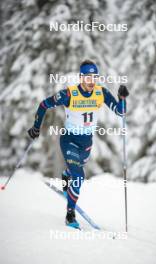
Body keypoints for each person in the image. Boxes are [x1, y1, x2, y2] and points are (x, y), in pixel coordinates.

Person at [28, 60, 129, 228]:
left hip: (87, 142)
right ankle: (70, 214)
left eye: (94, 77)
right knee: (79, 177)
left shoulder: (101, 93)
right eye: (88, 77)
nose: (91, 81)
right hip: (69, 140)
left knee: (75, 172)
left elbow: (121, 111)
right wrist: (36, 128)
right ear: (81, 77)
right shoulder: (69, 94)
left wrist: (122, 98)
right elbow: (44, 104)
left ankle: (67, 175)